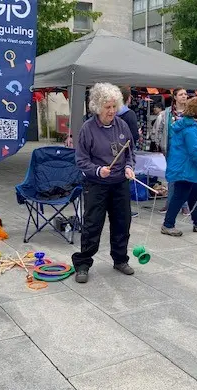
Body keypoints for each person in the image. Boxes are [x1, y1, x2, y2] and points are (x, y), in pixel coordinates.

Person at [72, 83, 136, 284]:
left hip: (119, 183)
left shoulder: (122, 125)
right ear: (97, 107)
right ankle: (83, 264)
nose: (111, 111)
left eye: (114, 106)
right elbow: (81, 160)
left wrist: (129, 167)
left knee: (122, 222)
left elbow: (129, 152)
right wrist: (98, 170)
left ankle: (120, 259)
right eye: (107, 107)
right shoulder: (87, 129)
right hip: (96, 184)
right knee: (92, 225)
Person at [161, 97, 197, 237]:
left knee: (193, 195)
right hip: (186, 169)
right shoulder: (191, 129)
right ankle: (168, 225)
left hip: (186, 168)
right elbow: (195, 152)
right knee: (179, 196)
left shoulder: (189, 126)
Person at [158, 88, 190, 215]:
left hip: (187, 150)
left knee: (185, 178)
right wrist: (161, 144)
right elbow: (159, 129)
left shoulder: (191, 112)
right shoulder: (167, 113)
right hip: (171, 150)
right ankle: (170, 204)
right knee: (172, 178)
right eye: (181, 94)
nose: (184, 96)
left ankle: (184, 205)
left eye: (185, 94)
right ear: (175, 97)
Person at [117, 86, 140, 218]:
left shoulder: (112, 114)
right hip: (127, 153)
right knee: (126, 181)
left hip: (115, 151)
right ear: (128, 98)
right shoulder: (129, 114)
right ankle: (125, 210)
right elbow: (134, 136)